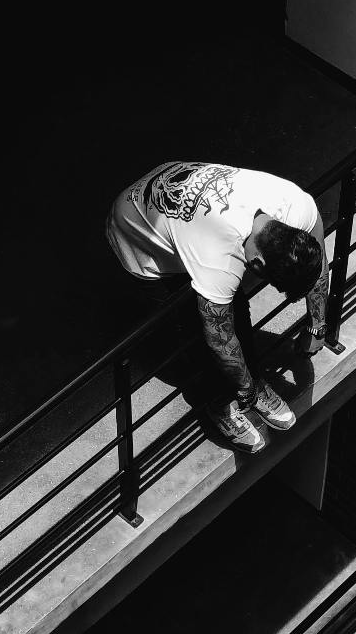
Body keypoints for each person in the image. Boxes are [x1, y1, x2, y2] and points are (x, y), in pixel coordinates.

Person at [106, 161, 329, 452]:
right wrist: (243, 390)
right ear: (258, 264)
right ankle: (218, 403)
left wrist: (318, 324)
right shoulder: (219, 256)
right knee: (193, 331)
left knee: (235, 307)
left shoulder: (295, 206)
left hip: (178, 195)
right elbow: (219, 339)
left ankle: (253, 382)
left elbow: (319, 261)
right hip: (140, 234)